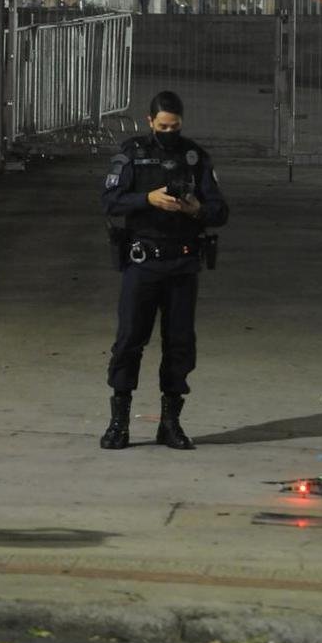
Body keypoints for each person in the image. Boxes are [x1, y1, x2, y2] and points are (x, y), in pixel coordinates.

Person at [100, 91, 229, 451]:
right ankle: (118, 423)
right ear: (149, 121)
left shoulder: (195, 158)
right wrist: (147, 199)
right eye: (162, 126)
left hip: (183, 264)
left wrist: (195, 210)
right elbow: (109, 201)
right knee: (129, 342)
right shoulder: (133, 154)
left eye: (175, 127)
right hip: (143, 263)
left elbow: (220, 211)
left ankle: (170, 424)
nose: (168, 132)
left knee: (180, 345)